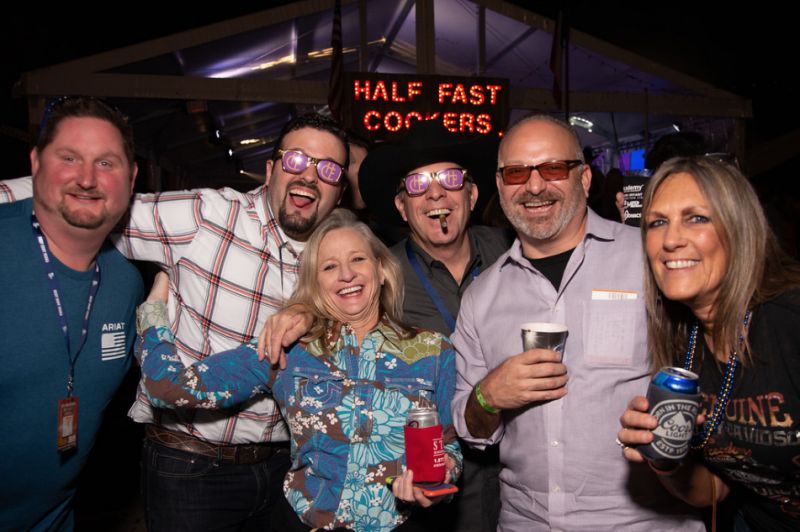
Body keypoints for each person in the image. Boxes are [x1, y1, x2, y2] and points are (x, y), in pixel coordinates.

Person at [1, 112, 351, 529]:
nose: (309, 175)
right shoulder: (209, 215)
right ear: (271, 169)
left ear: (339, 191)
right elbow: (98, 195)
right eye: (296, 160)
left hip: (286, 469)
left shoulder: (339, 256)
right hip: (191, 468)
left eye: (328, 169)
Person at [451, 114, 704, 531]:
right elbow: (472, 430)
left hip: (642, 522)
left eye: (552, 168)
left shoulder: (650, 259)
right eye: (516, 172)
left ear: (584, 179)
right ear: (500, 185)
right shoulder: (482, 296)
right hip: (526, 523)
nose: (534, 186)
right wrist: (488, 395)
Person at [135, 209, 462, 531]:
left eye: (358, 259)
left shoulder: (433, 351)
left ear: (381, 269)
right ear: (315, 283)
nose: (346, 274)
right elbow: (166, 388)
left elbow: (448, 445)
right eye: (329, 266)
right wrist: (153, 313)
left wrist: (440, 476)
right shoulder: (290, 349)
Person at [617, 157, 800, 531]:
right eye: (657, 223)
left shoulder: (789, 320)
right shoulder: (684, 339)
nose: (671, 240)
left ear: (739, 229)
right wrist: (662, 456)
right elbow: (714, 489)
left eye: (696, 218)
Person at [0, 96, 143, 531]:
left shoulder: (125, 284)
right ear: (35, 163)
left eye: (106, 163)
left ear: (132, 179)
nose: (86, 178)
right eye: (69, 158)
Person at [359, 120, 509, 531]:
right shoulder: (380, 277)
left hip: (517, 465)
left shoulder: (512, 254)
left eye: (450, 178)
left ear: (472, 194)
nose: (436, 192)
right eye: (418, 183)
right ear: (401, 206)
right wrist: (299, 313)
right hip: (431, 470)